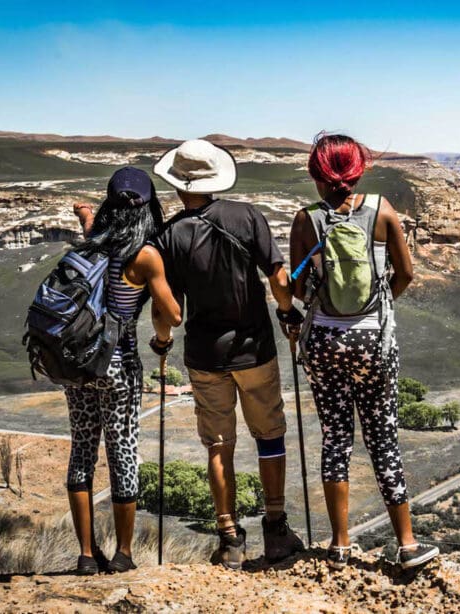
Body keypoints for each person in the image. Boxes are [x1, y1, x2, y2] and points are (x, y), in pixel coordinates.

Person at [150, 139, 305, 570]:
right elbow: (277, 276)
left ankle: (229, 538)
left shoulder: (169, 236)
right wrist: (288, 313)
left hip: (204, 357)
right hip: (255, 349)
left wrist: (160, 343)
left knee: (219, 445)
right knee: (269, 437)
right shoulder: (246, 216)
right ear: (215, 180)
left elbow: (168, 310)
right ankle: (276, 529)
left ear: (179, 185)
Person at [289, 134, 438, 570]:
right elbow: (406, 273)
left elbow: (296, 288)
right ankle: (407, 544)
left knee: (336, 439)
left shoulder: (306, 220)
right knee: (383, 439)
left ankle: (339, 544)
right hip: (373, 341)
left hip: (324, 343)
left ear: (318, 175)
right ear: (357, 171)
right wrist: (381, 303)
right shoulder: (381, 209)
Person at [66, 167, 182, 575]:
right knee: (123, 453)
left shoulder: (92, 243)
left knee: (82, 449)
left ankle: (84, 553)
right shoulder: (144, 255)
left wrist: (84, 214)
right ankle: (123, 553)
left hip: (78, 364)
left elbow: (92, 224)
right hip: (118, 364)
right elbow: (171, 313)